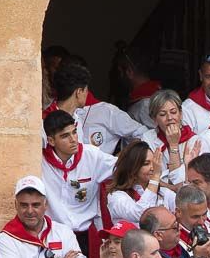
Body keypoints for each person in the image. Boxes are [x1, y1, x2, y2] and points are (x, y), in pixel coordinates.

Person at [40, 110, 117, 244]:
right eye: (65, 136)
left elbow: (124, 168)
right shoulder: (40, 161)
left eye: (74, 132)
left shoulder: (91, 155)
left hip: (85, 236)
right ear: (51, 140)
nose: (73, 139)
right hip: (52, 236)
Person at [46, 61, 149, 154]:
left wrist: (123, 157)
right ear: (79, 92)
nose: (87, 93)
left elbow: (143, 133)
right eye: (86, 90)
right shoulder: (47, 118)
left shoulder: (106, 111)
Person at [105, 140, 176, 227]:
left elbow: (184, 208)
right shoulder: (116, 197)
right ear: (132, 168)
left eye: (154, 162)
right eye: (146, 163)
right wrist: (155, 177)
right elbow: (141, 214)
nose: (153, 167)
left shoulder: (163, 192)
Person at [142, 89, 204, 185]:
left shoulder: (194, 141)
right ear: (154, 118)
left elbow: (180, 180)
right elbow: (145, 176)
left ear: (181, 114)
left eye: (173, 112)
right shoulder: (148, 138)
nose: (169, 118)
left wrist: (173, 144)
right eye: (163, 114)